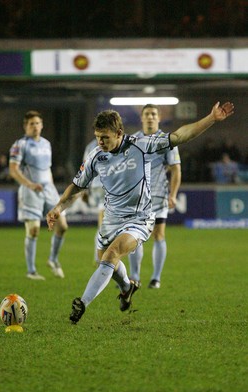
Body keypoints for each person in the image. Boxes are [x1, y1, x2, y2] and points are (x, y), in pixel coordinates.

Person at [46, 101, 234, 324]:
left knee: (111, 255)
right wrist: (58, 207)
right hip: (110, 220)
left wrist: (211, 118)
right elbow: (77, 186)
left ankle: (82, 304)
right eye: (97, 136)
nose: (100, 142)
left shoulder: (141, 145)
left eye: (105, 137)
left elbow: (179, 136)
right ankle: (126, 287)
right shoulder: (97, 157)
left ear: (119, 133)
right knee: (106, 261)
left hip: (139, 219)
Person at [128, 104, 181, 289]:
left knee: (159, 235)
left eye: (153, 114)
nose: (150, 117)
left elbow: (176, 169)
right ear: (141, 118)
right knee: (135, 237)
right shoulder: (133, 140)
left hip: (159, 196)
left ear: (159, 118)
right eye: (147, 114)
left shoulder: (166, 140)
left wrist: (173, 195)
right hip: (137, 199)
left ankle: (156, 278)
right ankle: (135, 277)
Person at [9, 110, 68, 280]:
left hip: (48, 189)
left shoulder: (46, 144)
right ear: (25, 126)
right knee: (34, 230)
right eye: (31, 124)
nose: (35, 126)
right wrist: (30, 184)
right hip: (30, 191)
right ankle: (31, 271)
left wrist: (52, 188)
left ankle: (53, 260)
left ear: (42, 125)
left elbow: (46, 169)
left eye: (37, 123)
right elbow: (13, 170)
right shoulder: (19, 145)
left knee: (62, 226)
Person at [82, 138, 105, 266]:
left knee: (104, 224)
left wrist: (85, 189)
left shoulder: (90, 146)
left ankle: (100, 255)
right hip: (104, 186)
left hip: (96, 186)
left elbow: (86, 168)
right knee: (104, 225)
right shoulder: (111, 142)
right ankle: (99, 256)